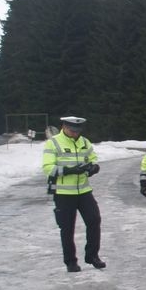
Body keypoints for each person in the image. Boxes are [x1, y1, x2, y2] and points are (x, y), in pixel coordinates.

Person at [41, 116, 105, 273]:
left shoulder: (84, 142)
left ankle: (92, 255)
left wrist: (94, 167)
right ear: (64, 126)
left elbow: (93, 158)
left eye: (78, 131)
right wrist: (68, 170)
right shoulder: (53, 142)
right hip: (63, 193)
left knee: (94, 220)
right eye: (72, 130)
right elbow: (48, 168)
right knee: (67, 228)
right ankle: (70, 261)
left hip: (84, 191)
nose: (75, 133)